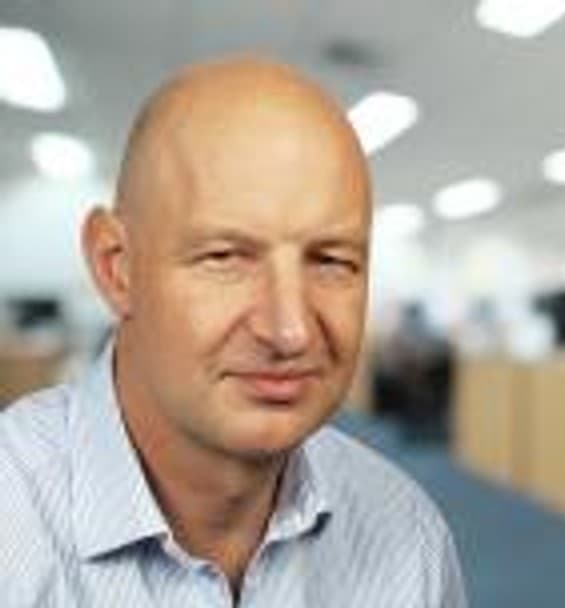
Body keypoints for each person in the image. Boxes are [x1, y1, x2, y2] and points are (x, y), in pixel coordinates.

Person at [0, 57, 467, 607]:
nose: (290, 331)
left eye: (331, 261)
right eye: (225, 257)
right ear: (116, 267)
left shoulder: (409, 541)